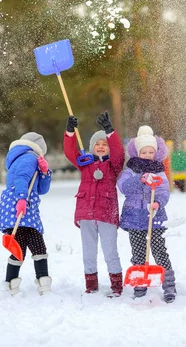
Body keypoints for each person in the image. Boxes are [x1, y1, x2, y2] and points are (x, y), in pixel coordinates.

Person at [64, 111, 125, 297]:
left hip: (106, 213)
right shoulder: (85, 163)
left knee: (110, 251)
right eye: (97, 144)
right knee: (88, 252)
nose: (100, 146)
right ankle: (91, 285)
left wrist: (110, 132)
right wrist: (69, 133)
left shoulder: (113, 166)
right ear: (91, 147)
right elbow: (70, 152)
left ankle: (116, 286)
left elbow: (119, 154)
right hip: (86, 214)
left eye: (104, 144)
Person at [117, 126, 177, 303]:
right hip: (134, 218)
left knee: (159, 251)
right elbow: (123, 187)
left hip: (154, 217)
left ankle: (169, 285)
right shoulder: (131, 169)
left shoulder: (159, 170)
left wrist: (158, 202)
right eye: (144, 151)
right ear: (137, 152)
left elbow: (164, 190)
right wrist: (140, 179)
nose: (148, 154)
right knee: (138, 253)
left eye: (151, 151)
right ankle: (140, 283)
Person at [0, 132, 52, 296]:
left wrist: (44, 172)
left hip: (29, 208)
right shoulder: (28, 157)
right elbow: (21, 179)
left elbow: (42, 189)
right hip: (18, 207)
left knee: (37, 245)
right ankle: (11, 283)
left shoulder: (28, 158)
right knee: (20, 247)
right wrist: (21, 199)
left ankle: (42, 280)